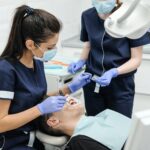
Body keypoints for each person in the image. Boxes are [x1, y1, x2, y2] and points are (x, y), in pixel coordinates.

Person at [0, 5, 92, 150]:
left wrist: (71, 87)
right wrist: (40, 109)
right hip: (11, 142)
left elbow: (34, 98)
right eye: (50, 48)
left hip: (34, 136)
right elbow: (1, 123)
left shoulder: (37, 63)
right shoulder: (5, 70)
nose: (54, 51)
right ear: (30, 44)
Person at [68, 0, 150, 117]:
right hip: (92, 81)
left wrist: (114, 72)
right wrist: (81, 61)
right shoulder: (87, 15)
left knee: (119, 127)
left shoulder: (130, 19)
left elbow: (136, 59)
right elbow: (88, 45)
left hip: (120, 85)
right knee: (94, 126)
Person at [38, 96, 131, 150]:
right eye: (58, 101)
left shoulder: (104, 115)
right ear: (53, 121)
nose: (67, 96)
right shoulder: (80, 142)